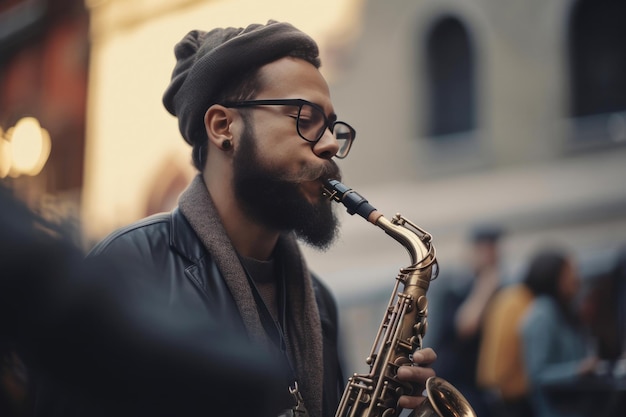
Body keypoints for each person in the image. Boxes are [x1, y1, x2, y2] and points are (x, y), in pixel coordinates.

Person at [63, 20, 437, 417]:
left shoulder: (320, 302)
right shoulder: (130, 270)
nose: (329, 144)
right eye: (305, 118)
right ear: (224, 127)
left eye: (330, 126)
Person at [428, 224, 505, 417]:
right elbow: (466, 325)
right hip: (456, 382)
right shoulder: (456, 288)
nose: (491, 256)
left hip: (483, 383)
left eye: (494, 249)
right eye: (484, 250)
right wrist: (486, 285)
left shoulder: (501, 289)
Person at [519, 248, 599, 417]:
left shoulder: (564, 309)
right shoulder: (542, 314)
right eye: (568, 272)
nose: (575, 278)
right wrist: (577, 370)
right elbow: (537, 376)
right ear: (552, 276)